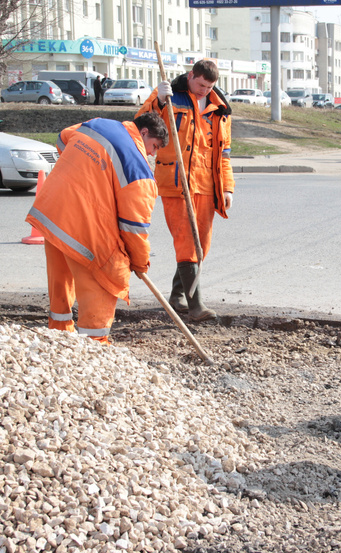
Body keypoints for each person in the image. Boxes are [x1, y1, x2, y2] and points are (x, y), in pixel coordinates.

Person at [25, 112, 169, 344]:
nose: (153, 153)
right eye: (155, 146)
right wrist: (140, 262)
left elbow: (63, 139)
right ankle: (94, 345)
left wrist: (85, 170)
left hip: (51, 213)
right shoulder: (138, 169)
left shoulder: (98, 124)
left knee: (60, 280)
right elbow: (134, 228)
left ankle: (59, 335)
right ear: (143, 133)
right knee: (105, 278)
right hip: (80, 227)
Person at [136, 59, 234, 322]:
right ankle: (196, 306)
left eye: (209, 86)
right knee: (186, 242)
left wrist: (227, 188)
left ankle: (178, 295)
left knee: (202, 245)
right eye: (200, 84)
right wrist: (157, 99)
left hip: (207, 184)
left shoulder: (220, 109)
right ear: (191, 75)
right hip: (176, 183)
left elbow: (224, 154)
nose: (203, 90)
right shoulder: (170, 97)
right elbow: (142, 124)